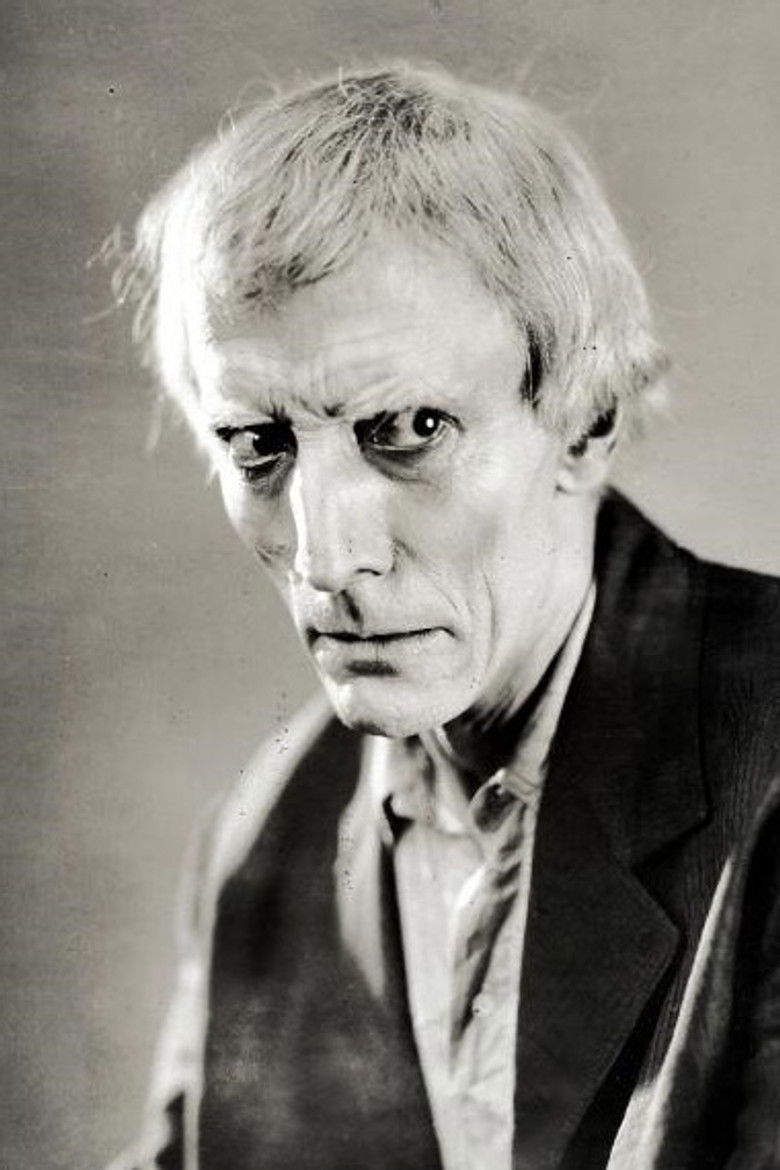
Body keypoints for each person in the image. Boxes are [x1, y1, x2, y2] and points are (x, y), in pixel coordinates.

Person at [109, 63, 780, 1170]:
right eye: (257, 444)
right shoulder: (264, 849)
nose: (326, 557)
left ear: (586, 422)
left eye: (410, 429)